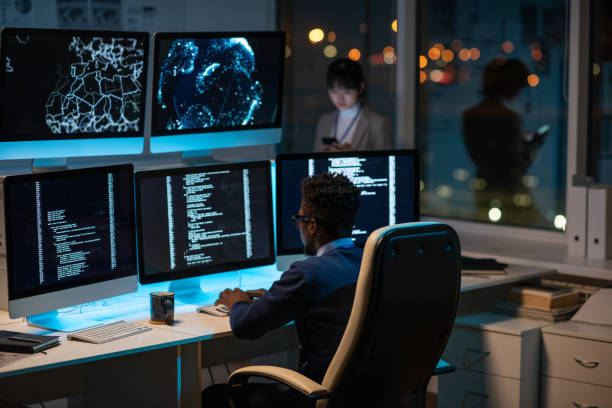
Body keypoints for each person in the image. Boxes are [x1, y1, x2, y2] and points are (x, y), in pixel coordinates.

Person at [201, 172, 363, 407]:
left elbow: (245, 326)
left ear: (312, 226)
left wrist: (237, 302)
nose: (298, 224)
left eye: (299, 218)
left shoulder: (307, 273)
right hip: (366, 393)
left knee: (214, 395)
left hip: (319, 394)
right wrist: (277, 297)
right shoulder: (373, 261)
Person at [462, 57, 547, 222]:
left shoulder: (470, 116)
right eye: (518, 86)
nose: (518, 92)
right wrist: (532, 146)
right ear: (509, 85)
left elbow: (483, 153)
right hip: (508, 193)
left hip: (483, 188)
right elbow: (516, 165)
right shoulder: (509, 118)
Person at [314, 58, 393, 152]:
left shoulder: (377, 124)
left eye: (347, 92)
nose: (340, 98)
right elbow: (314, 162)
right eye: (334, 91)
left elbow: (384, 164)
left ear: (360, 88)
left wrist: (353, 155)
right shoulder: (325, 121)